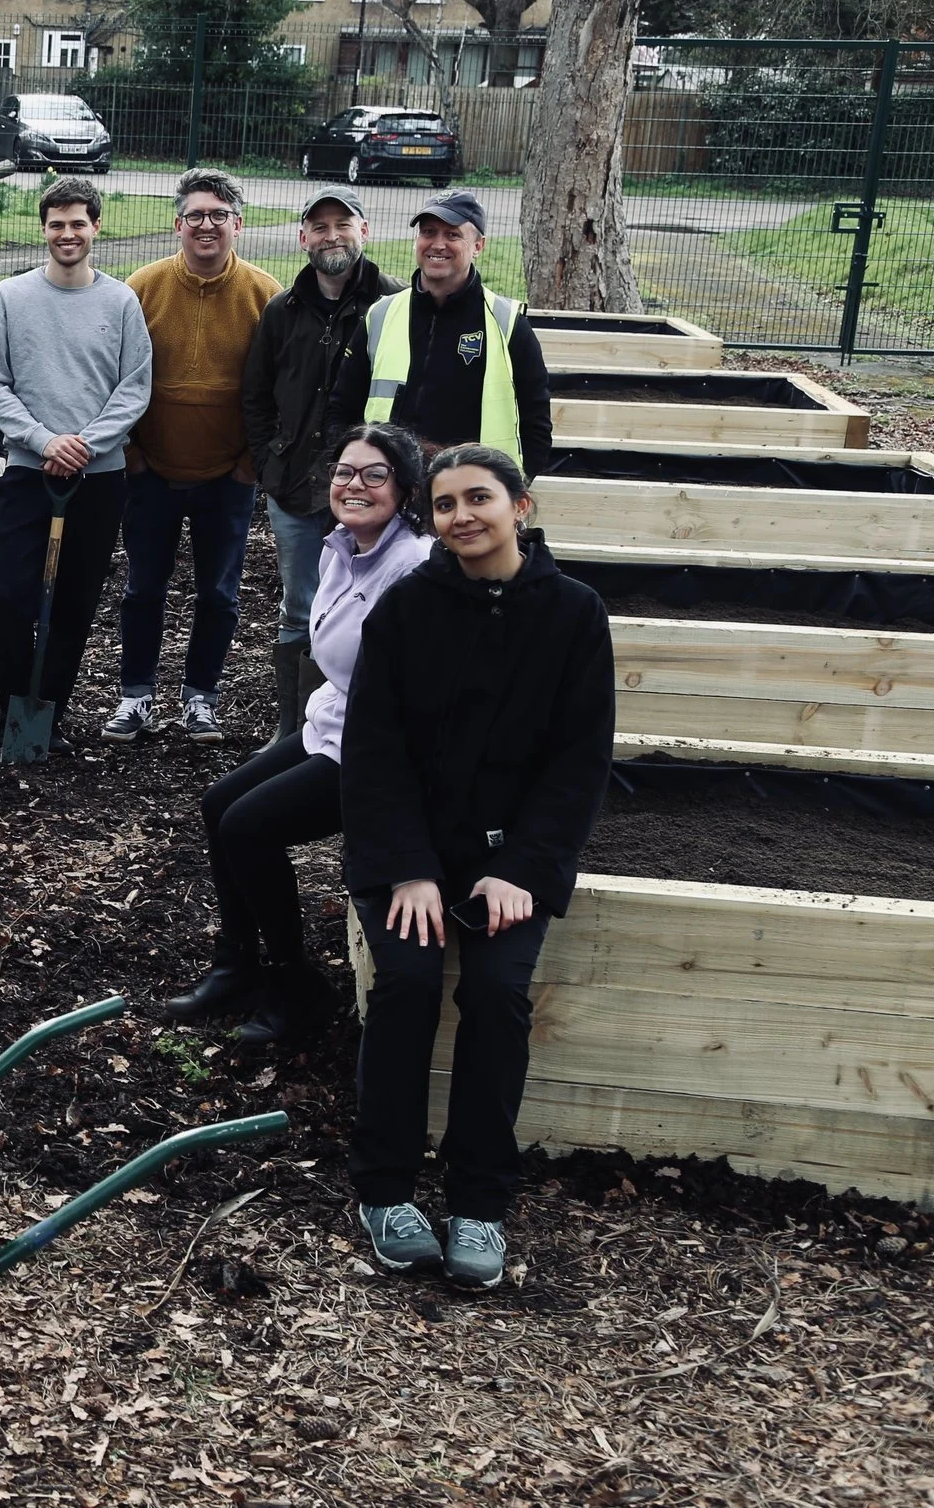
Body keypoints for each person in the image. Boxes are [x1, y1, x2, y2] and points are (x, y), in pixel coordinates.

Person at [341, 443, 614, 1290]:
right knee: (409, 985)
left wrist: (524, 868)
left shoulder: (573, 613)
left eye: (479, 498)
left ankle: (480, 1203)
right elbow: (373, 752)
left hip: (512, 867)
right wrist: (409, 869)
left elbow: (579, 762)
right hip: (411, 858)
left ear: (520, 507)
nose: (461, 516)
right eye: (446, 503)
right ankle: (385, 1191)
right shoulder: (406, 610)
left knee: (497, 994)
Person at [166, 424, 433, 1045]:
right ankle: (237, 965)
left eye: (374, 474)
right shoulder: (341, 546)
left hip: (377, 749)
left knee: (249, 828)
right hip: (334, 721)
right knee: (218, 805)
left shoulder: (411, 567)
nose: (354, 485)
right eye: (344, 472)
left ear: (406, 489)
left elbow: (405, 691)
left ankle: (295, 983)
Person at [0, 179, 150, 756]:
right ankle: (11, 713)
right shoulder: (10, 297)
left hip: (97, 479)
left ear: (96, 227)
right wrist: (45, 440)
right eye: (56, 223)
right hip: (29, 473)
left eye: (77, 223)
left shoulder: (120, 302)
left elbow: (135, 386)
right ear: (42, 229)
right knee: (11, 601)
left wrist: (87, 444)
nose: (67, 234)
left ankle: (51, 718)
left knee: (74, 600)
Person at [107, 168, 281, 746]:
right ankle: (135, 697)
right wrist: (131, 454)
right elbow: (117, 376)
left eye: (219, 215)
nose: (206, 226)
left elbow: (279, 389)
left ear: (238, 224)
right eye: (195, 216)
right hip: (151, 472)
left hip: (228, 477)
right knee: (142, 590)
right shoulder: (143, 287)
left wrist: (250, 466)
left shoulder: (265, 295)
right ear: (177, 225)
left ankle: (200, 700)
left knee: (218, 594)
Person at [240, 188, 400, 741]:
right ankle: (295, 732)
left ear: (365, 231)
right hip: (295, 486)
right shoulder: (282, 311)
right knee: (301, 606)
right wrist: (268, 462)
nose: (332, 235)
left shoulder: (392, 309)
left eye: (343, 224)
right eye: (320, 226)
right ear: (303, 237)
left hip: (369, 492)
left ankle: (359, 725)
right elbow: (255, 396)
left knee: (370, 610)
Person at [327, 189, 551, 473]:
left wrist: (509, 492)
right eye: (428, 232)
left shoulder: (506, 324)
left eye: (452, 235)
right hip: (391, 489)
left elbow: (536, 426)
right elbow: (342, 408)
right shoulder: (381, 316)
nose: (438, 244)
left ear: (479, 246)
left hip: (473, 497)